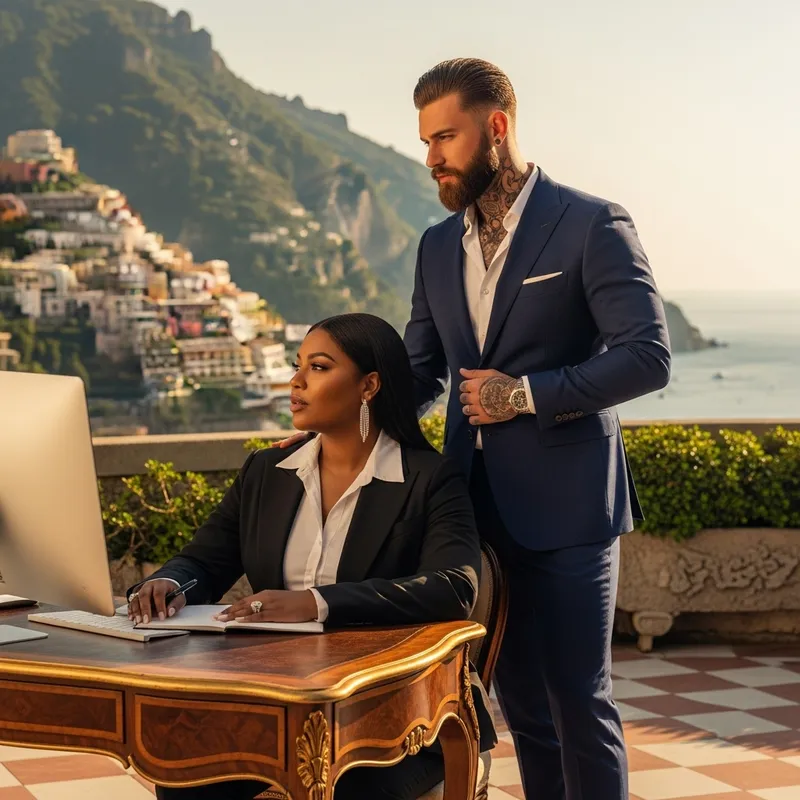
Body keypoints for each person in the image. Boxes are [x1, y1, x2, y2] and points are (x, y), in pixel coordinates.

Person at [402, 59, 672, 799]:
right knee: (517, 703)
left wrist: (521, 396)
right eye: (425, 141)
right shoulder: (434, 246)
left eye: (446, 137)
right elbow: (422, 372)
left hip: (571, 506)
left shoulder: (591, 223)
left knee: (578, 699)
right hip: (474, 509)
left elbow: (647, 357)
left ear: (496, 128)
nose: (431, 158)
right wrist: (350, 417)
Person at [127, 313, 495, 800]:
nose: (295, 381)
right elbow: (203, 561)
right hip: (273, 707)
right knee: (182, 776)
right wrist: (170, 585)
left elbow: (454, 587)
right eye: (298, 365)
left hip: (398, 717)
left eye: (319, 367)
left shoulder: (429, 478)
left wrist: (316, 603)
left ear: (369, 385)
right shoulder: (266, 471)